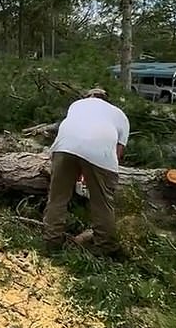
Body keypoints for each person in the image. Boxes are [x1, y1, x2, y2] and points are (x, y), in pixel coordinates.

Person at [43, 87, 130, 258]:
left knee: (57, 198)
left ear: (87, 97)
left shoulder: (76, 105)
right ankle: (106, 247)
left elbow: (77, 141)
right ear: (107, 99)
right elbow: (118, 152)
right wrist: (99, 178)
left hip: (64, 146)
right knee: (102, 202)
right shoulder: (119, 114)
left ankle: (51, 241)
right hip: (99, 149)